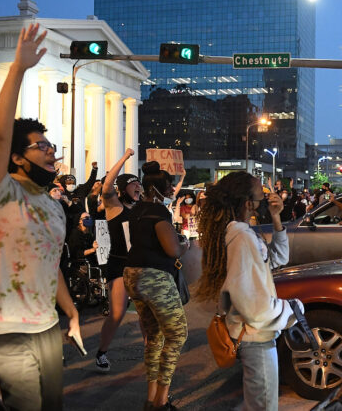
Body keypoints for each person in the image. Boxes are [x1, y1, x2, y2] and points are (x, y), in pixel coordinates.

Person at [0, 24, 81, 410]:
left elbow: (47, 264)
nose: (51, 151)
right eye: (39, 147)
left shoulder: (52, 202)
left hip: (47, 325)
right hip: (5, 326)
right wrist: (19, 68)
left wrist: (69, 309)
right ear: (17, 157)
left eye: (50, 145)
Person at [196, 171, 300, 411]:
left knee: (257, 402)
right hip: (255, 335)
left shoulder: (240, 231)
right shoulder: (241, 236)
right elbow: (251, 302)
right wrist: (291, 309)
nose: (264, 201)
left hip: (253, 334)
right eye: (260, 197)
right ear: (247, 203)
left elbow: (278, 258)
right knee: (263, 405)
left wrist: (276, 218)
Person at [123, 161, 188, 411]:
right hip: (154, 278)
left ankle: (150, 399)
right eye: (168, 185)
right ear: (157, 189)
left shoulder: (136, 210)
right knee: (177, 334)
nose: (172, 189)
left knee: (154, 338)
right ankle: (161, 401)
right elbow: (172, 249)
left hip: (132, 274)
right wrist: (184, 247)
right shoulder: (159, 213)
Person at [95, 148, 138, 372]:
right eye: (133, 184)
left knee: (148, 311)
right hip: (119, 264)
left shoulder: (142, 209)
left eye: (139, 183)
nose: (137, 186)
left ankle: (153, 352)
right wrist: (125, 157)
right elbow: (106, 186)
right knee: (118, 312)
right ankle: (102, 352)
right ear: (123, 190)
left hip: (140, 264)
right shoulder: (115, 207)